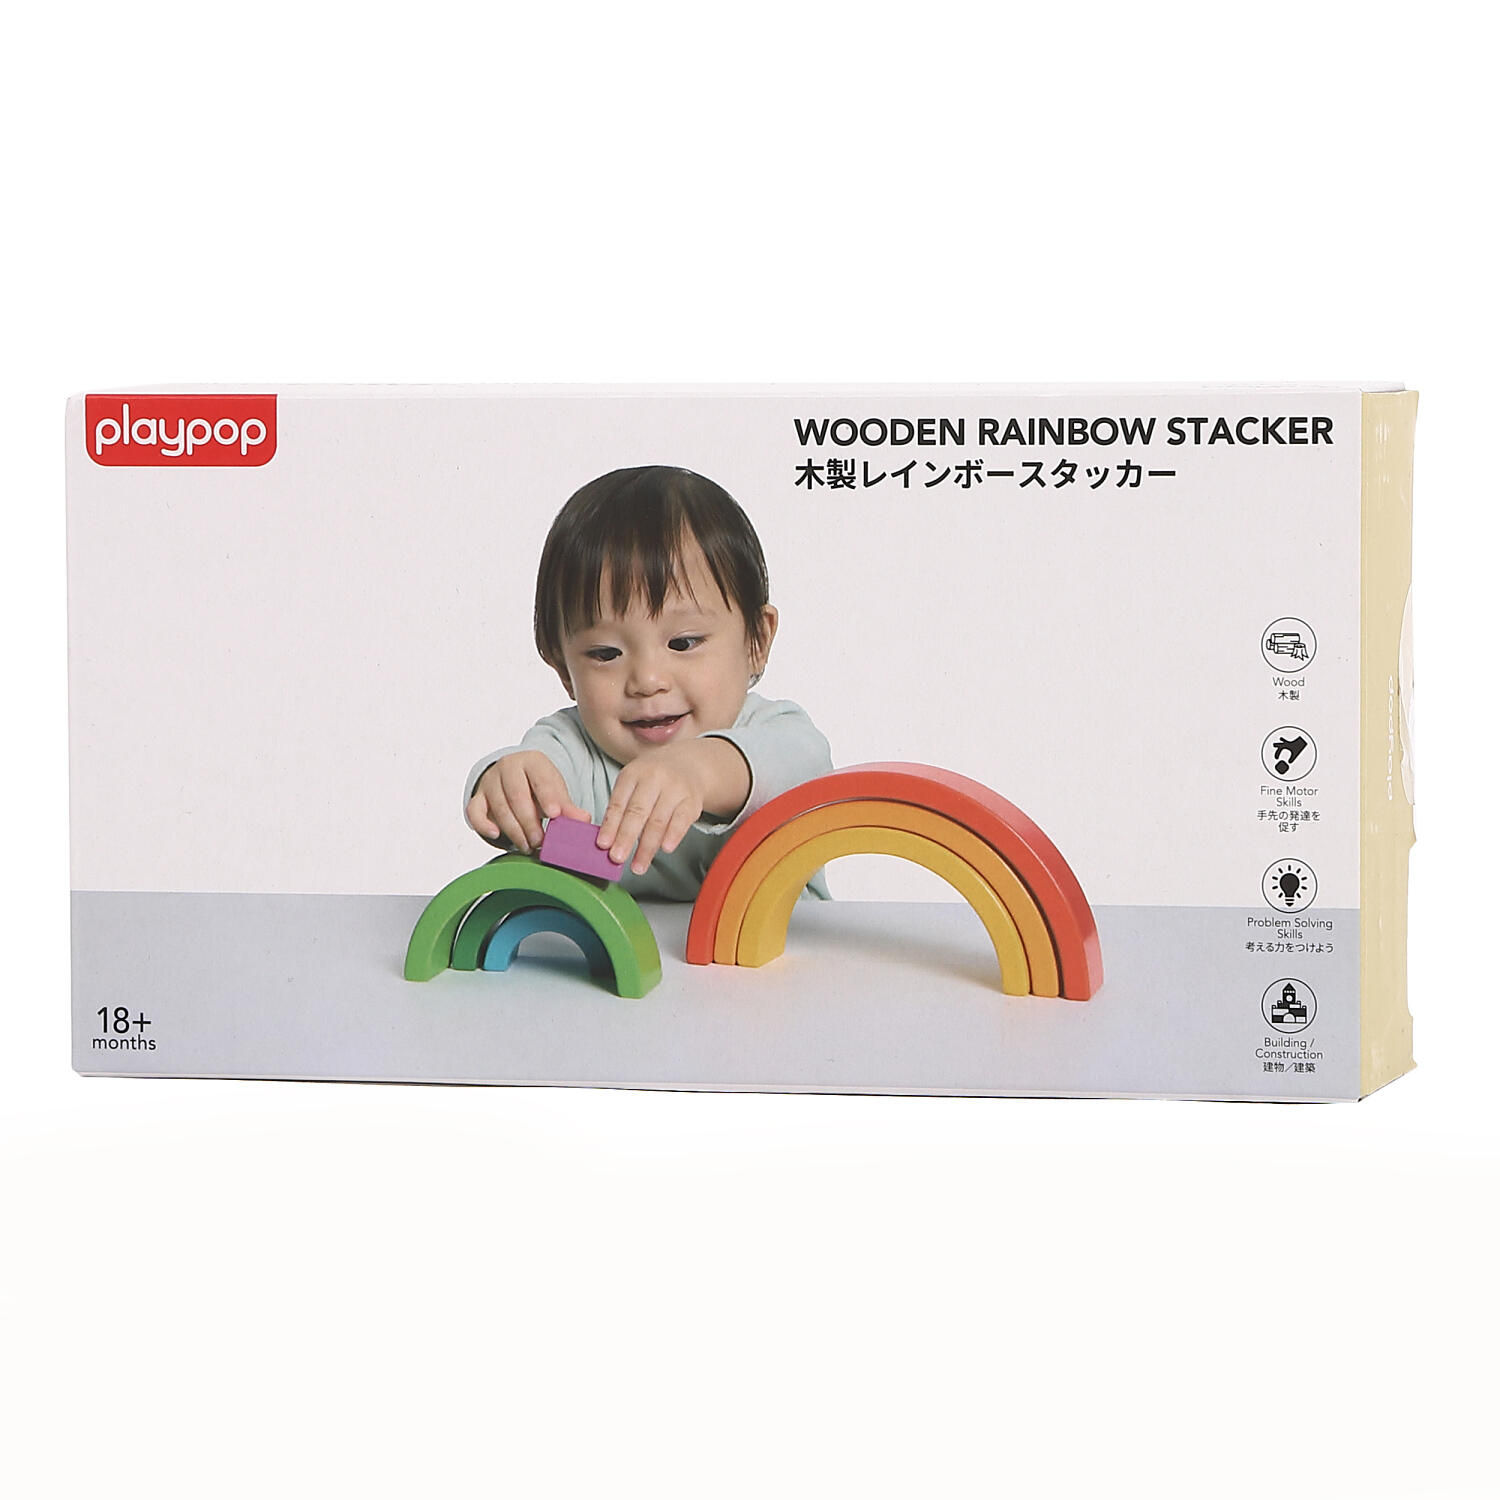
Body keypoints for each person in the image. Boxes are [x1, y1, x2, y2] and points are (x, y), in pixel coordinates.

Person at [464, 465, 833, 901]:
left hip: (780, 946)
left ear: (757, 640)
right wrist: (504, 784)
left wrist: (698, 769)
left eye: (683, 642)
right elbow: (532, 774)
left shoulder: (777, 732)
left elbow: (802, 768)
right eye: (605, 654)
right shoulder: (573, 748)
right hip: (616, 947)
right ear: (562, 667)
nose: (647, 680)